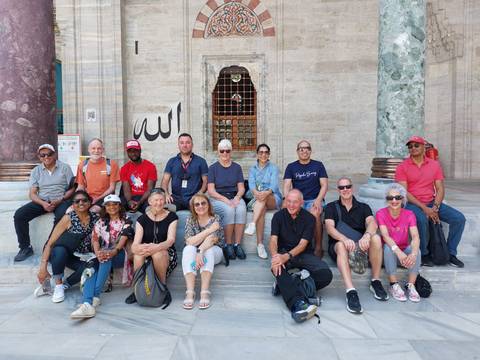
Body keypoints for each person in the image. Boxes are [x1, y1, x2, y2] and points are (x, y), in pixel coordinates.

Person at [395, 135, 466, 268]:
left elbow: (440, 188)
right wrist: (425, 209)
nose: (413, 148)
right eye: (410, 146)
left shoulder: (434, 165)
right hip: (411, 204)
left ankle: (450, 253)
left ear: (423, 147)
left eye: (416, 145)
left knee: (459, 219)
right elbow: (404, 192)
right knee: (422, 219)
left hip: (431, 202)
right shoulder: (402, 167)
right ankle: (424, 254)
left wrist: (435, 207)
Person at [324, 177, 388, 314]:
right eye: (342, 188)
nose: (345, 190)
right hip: (338, 245)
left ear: (352, 188)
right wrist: (344, 239)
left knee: (376, 238)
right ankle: (350, 291)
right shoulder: (331, 207)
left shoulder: (363, 207)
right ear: (338, 190)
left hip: (360, 245)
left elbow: (372, 223)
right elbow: (330, 228)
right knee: (341, 245)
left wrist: (367, 236)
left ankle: (375, 281)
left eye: (347, 187)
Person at [270, 189, 333, 323]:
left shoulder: (309, 218)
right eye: (289, 201)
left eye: (295, 202)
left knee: (326, 274)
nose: (291, 205)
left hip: (302, 254)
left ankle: (286, 286)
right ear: (285, 201)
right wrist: (276, 257)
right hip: (282, 251)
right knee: (278, 268)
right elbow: (273, 240)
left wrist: (285, 257)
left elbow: (302, 245)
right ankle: (297, 304)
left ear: (302, 203)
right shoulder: (278, 216)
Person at [70, 194, 133, 319]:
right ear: (105, 207)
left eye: (115, 204)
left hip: (119, 254)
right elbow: (95, 239)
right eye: (108, 205)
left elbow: (123, 241)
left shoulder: (126, 219)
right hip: (102, 254)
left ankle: (94, 297)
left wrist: (112, 252)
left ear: (120, 206)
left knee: (106, 257)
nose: (111, 207)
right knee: (91, 267)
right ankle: (88, 303)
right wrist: (98, 252)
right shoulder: (101, 221)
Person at [14, 144, 75, 262]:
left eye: (49, 154)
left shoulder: (65, 168)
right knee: (19, 215)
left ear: (55, 154)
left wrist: (61, 199)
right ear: (39, 157)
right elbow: (32, 194)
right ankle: (25, 248)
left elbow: (72, 188)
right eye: (43, 155)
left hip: (61, 200)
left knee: (62, 217)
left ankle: (50, 247)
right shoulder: (36, 171)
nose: (46, 157)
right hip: (42, 201)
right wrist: (43, 204)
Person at [36, 190, 99, 303]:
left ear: (90, 203)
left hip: (82, 255)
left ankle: (65, 285)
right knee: (60, 250)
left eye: (84, 200)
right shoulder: (68, 218)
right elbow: (50, 243)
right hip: (62, 254)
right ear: (73, 204)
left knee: (92, 267)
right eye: (77, 201)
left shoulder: (95, 218)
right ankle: (58, 285)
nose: (81, 203)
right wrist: (43, 267)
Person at [125, 188, 178, 304]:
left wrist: (156, 247)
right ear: (149, 202)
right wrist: (140, 248)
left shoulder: (172, 217)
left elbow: (170, 240)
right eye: (155, 200)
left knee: (158, 254)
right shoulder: (141, 219)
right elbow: (135, 245)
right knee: (138, 256)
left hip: (166, 252)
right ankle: (137, 290)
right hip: (147, 251)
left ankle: (162, 288)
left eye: (161, 200)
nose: (159, 203)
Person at [376, 183, 422, 302]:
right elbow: (385, 236)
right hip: (389, 253)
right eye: (390, 198)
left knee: (416, 250)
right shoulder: (381, 213)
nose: (394, 200)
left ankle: (411, 285)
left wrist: (414, 254)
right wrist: (398, 252)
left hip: (403, 250)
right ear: (386, 200)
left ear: (403, 199)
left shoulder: (409, 214)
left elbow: (415, 236)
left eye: (397, 197)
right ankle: (393, 284)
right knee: (387, 247)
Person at [283, 140, 328, 257]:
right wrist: (288, 200)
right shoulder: (291, 167)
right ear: (297, 151)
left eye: (307, 148)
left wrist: (318, 200)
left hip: (314, 198)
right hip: (298, 200)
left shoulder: (318, 165)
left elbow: (324, 185)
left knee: (315, 213)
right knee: (288, 212)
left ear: (310, 150)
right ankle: (292, 246)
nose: (304, 151)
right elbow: (286, 186)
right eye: (301, 149)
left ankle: (318, 247)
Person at [182, 194, 225, 310]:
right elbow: (189, 241)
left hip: (215, 251)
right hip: (195, 252)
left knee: (208, 250)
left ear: (208, 204)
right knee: (187, 249)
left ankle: (204, 292)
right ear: (193, 207)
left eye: (203, 203)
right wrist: (210, 230)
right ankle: (190, 292)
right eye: (197, 204)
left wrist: (200, 251)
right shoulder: (191, 219)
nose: (200, 206)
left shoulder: (215, 218)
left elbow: (212, 239)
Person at [207, 139, 247, 260]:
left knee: (241, 209)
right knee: (229, 210)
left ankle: (237, 244)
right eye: (222, 151)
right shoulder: (213, 168)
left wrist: (237, 198)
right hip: (218, 198)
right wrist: (225, 200)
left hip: (234, 196)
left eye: (227, 151)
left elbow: (241, 188)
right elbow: (211, 190)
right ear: (218, 152)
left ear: (231, 152)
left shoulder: (237, 167)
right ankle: (228, 245)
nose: (225, 153)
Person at [244, 143, 282, 259]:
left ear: (269, 154)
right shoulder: (252, 169)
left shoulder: (273, 168)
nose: (263, 154)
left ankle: (252, 224)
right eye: (261, 152)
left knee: (263, 199)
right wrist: (256, 193)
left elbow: (274, 186)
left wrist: (266, 193)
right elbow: (251, 184)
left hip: (272, 197)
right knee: (261, 210)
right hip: (259, 198)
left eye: (266, 152)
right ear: (257, 154)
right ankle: (260, 245)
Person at [161, 133, 208, 211]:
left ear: (192, 144)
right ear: (178, 145)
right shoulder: (172, 161)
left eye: (188, 142)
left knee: (202, 210)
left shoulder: (201, 161)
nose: (185, 145)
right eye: (182, 143)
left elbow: (206, 182)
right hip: (176, 198)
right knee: (164, 211)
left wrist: (198, 195)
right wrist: (166, 194)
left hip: (194, 197)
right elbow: (165, 181)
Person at [76, 138, 120, 212]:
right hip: (88, 197)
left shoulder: (111, 164)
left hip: (106, 197)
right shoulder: (82, 165)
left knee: (93, 211)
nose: (96, 151)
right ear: (89, 150)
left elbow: (112, 188)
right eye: (93, 148)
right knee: (70, 210)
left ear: (103, 150)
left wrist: (97, 198)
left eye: (99, 148)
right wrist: (77, 199)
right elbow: (81, 186)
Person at [120, 139, 157, 213]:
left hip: (145, 197)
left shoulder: (150, 166)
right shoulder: (124, 168)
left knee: (150, 209)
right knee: (118, 207)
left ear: (140, 151)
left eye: (135, 150)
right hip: (131, 196)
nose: (133, 153)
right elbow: (126, 189)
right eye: (130, 151)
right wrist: (129, 201)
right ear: (127, 153)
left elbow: (150, 189)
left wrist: (140, 202)